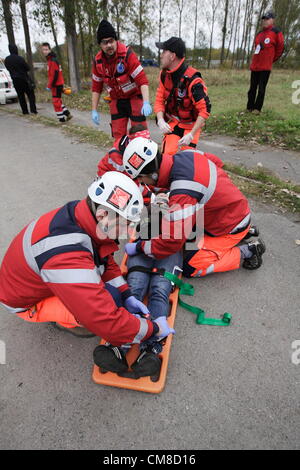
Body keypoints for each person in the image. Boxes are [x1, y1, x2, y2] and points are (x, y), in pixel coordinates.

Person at [0, 172, 174, 373]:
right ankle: (62, 319)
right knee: (92, 314)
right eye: (126, 224)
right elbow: (103, 318)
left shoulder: (82, 215)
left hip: (36, 277)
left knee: (114, 295)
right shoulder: (66, 255)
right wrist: (152, 330)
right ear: (102, 215)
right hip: (23, 301)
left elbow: (103, 257)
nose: (129, 232)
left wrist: (126, 294)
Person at [122, 137, 266, 277]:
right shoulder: (186, 154)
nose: (140, 181)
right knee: (169, 220)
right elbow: (217, 162)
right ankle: (246, 231)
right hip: (230, 210)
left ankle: (249, 250)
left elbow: (172, 242)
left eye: (140, 178)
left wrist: (141, 248)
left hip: (228, 225)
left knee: (191, 265)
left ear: (153, 174)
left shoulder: (183, 191)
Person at [91, 19, 152, 143]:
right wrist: (94, 110)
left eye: (111, 41)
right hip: (117, 100)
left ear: (116, 40)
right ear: (100, 45)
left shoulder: (127, 55)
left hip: (134, 98)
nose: (109, 45)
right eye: (104, 42)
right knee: (119, 137)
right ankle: (120, 161)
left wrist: (146, 102)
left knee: (140, 135)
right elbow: (96, 88)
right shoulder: (98, 62)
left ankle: (143, 161)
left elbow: (142, 81)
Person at [154, 37, 211, 155]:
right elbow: (159, 99)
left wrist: (191, 135)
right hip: (173, 123)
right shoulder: (164, 75)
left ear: (172, 56)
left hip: (190, 127)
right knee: (167, 157)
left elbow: (205, 110)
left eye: (164, 52)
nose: (161, 55)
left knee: (185, 161)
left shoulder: (193, 80)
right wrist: (160, 120)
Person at [247, 11, 284, 114]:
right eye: (263, 19)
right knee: (252, 89)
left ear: (272, 20)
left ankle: (257, 109)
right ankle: (249, 107)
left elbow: (280, 48)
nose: (264, 21)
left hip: (265, 67)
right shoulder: (259, 34)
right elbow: (256, 48)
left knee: (261, 89)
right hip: (255, 66)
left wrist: (271, 59)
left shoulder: (276, 32)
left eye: (267, 19)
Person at [41, 42, 72, 123]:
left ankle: (62, 119)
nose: (44, 51)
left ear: (49, 50)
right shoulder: (51, 59)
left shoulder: (52, 60)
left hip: (56, 85)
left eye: (46, 49)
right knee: (58, 100)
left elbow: (54, 75)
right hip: (57, 84)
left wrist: (50, 85)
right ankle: (67, 114)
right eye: (43, 50)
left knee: (56, 101)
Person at [4, 44, 37, 115]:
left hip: (15, 80)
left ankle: (25, 111)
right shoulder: (20, 58)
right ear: (16, 49)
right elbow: (27, 68)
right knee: (30, 94)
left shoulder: (7, 60)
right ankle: (33, 110)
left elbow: (7, 68)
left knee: (20, 96)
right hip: (23, 79)